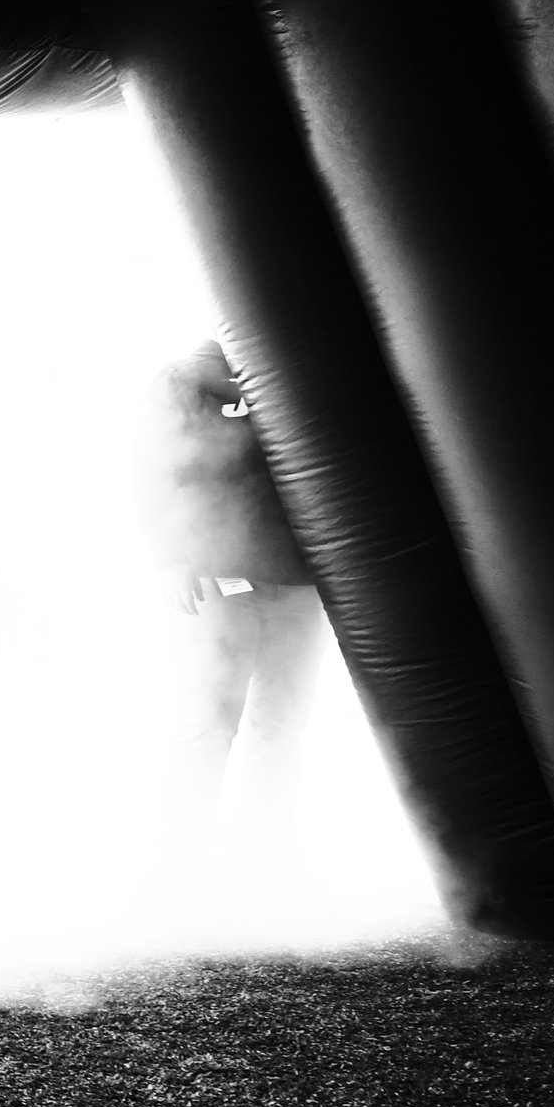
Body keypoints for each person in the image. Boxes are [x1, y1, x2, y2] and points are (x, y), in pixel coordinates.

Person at [136, 337, 328, 859]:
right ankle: (174, 858)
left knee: (281, 725)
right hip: (220, 581)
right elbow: (151, 466)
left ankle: (265, 858)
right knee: (208, 722)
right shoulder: (188, 377)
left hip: (300, 584)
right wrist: (170, 557)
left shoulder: (298, 367)